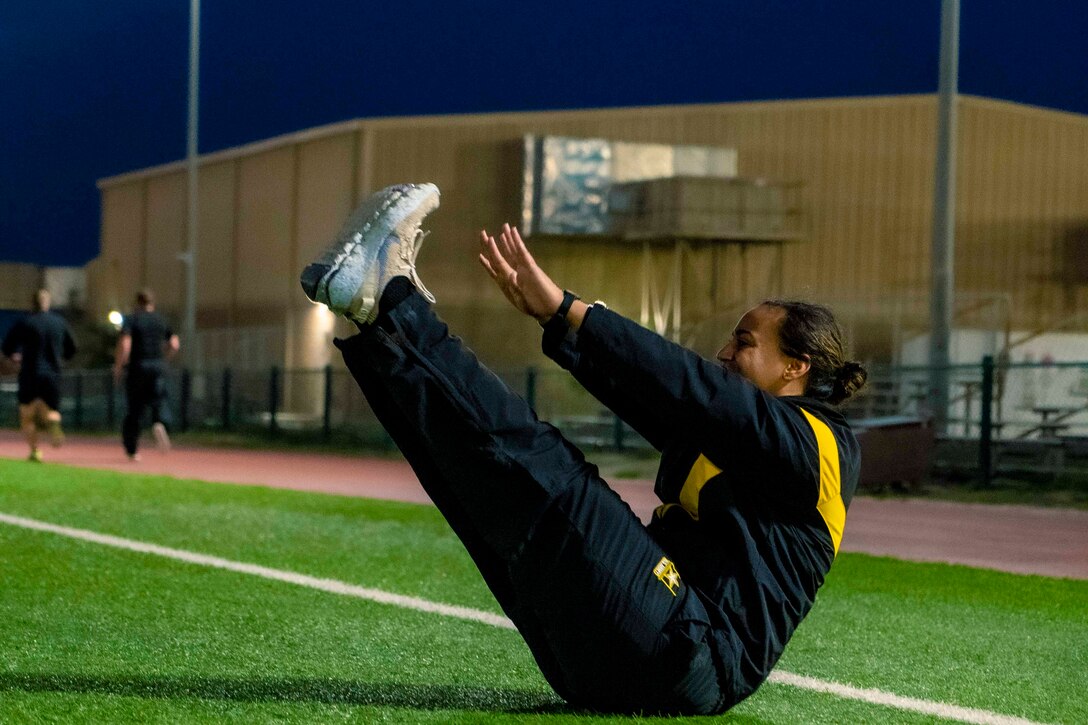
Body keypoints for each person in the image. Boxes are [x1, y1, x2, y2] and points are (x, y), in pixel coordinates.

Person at [300, 182, 867, 715]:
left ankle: (393, 298)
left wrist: (571, 309)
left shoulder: (821, 447)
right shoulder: (741, 441)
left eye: (744, 343)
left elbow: (695, 390)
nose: (724, 351)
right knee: (480, 494)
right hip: (616, 656)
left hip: (694, 652)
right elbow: (651, 393)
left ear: (797, 366)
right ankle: (374, 321)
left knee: (549, 476)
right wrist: (559, 324)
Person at [1, 289, 77, 462]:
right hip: (53, 374)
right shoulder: (60, 323)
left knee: (27, 416)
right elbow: (72, 348)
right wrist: (60, 359)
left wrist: (16, 356)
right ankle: (53, 422)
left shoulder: (25, 323)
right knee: (53, 409)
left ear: (32, 303)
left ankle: (35, 451)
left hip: (30, 373)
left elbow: (7, 348)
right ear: (48, 303)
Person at [113, 289, 180, 460]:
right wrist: (164, 359)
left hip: (138, 367)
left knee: (134, 409)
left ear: (137, 303)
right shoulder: (160, 320)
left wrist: (119, 367)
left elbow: (126, 344)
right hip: (157, 366)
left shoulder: (132, 320)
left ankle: (132, 450)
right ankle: (159, 423)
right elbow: (174, 343)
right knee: (158, 400)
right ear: (152, 303)